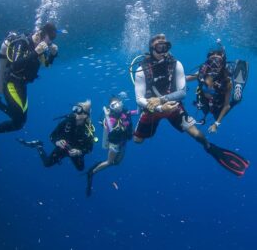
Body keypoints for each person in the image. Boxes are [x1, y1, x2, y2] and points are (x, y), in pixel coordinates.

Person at [132, 33, 249, 176]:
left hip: (173, 104)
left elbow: (182, 93)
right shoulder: (141, 69)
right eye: (159, 47)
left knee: (195, 134)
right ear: (151, 49)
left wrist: (163, 100)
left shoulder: (176, 64)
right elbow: (139, 98)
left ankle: (208, 146)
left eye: (166, 47)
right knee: (137, 140)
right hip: (152, 108)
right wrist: (159, 107)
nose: (164, 51)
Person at [0, 22, 59, 183]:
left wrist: (53, 55)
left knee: (20, 122)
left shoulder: (40, 46)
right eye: (51, 37)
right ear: (42, 33)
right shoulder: (23, 42)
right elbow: (15, 65)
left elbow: (47, 64)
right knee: (19, 117)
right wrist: (36, 52)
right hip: (11, 83)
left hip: (22, 86)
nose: (51, 41)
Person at [186, 40, 249, 133]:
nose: (214, 66)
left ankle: (236, 97)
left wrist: (216, 124)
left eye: (217, 62)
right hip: (204, 101)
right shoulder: (202, 73)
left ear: (222, 63)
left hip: (219, 101)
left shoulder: (227, 81)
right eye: (211, 62)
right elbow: (186, 78)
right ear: (207, 63)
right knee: (205, 110)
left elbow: (226, 106)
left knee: (217, 115)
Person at [17, 100, 97, 171]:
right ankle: (38, 146)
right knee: (47, 163)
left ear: (85, 115)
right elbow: (52, 136)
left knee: (80, 168)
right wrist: (57, 142)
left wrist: (79, 152)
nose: (75, 112)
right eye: (75, 108)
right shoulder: (67, 122)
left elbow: (89, 149)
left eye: (79, 110)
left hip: (75, 151)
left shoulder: (89, 129)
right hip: (63, 147)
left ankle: (75, 153)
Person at [86, 96, 137, 197]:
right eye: (114, 105)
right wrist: (107, 116)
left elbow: (137, 111)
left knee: (116, 163)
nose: (117, 106)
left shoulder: (125, 113)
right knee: (109, 162)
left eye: (119, 103)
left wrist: (145, 105)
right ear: (111, 107)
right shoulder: (111, 118)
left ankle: (99, 164)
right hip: (115, 144)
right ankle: (92, 172)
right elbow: (110, 129)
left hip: (123, 143)